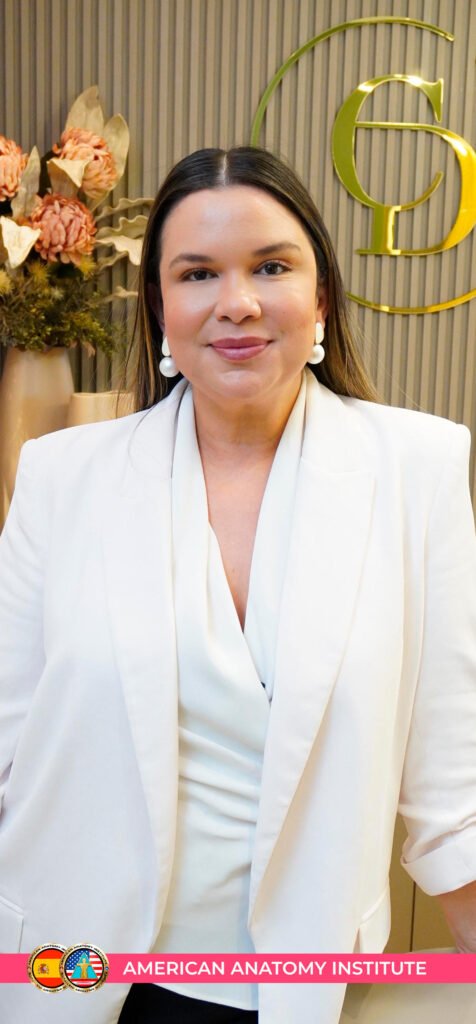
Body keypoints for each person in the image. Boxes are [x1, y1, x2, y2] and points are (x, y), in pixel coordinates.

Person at [0, 146, 475, 1024]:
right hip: (75, 976)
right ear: (160, 307)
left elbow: (452, 779)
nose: (238, 302)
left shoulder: (419, 469)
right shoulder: (61, 478)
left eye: (271, 266)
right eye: (197, 274)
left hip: (298, 986)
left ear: (321, 294)